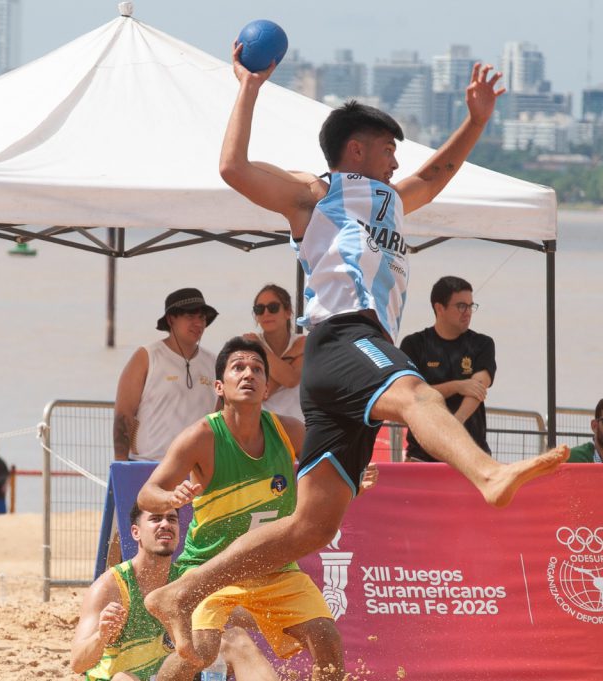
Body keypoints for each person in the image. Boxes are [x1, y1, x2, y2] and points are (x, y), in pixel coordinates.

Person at [145, 45, 568, 664]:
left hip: (345, 360)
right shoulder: (316, 194)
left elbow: (436, 175)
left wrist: (476, 122)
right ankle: (488, 473)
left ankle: (183, 591)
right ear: (358, 150)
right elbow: (233, 168)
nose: (399, 160)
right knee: (417, 391)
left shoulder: (392, 200)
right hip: (344, 335)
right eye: (390, 148)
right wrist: (248, 87)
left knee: (312, 527)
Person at [139, 337, 373, 680]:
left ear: (266, 388)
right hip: (210, 569)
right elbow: (148, 493)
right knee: (199, 652)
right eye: (239, 368)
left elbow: (332, 472)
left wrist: (353, 478)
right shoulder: (201, 436)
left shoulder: (289, 430)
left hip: (274, 567)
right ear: (220, 386)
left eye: (257, 370)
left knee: (326, 638)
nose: (248, 374)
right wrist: (171, 499)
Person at [71, 502, 277, 681]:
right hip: (128, 677)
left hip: (172, 675)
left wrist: (282, 618)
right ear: (136, 532)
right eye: (155, 519)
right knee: (123, 679)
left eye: (172, 519)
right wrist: (101, 635)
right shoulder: (110, 587)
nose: (165, 524)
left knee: (236, 638)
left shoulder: (187, 579)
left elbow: (239, 615)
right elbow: (77, 663)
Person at [113, 288, 220, 462]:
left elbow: (220, 420)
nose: (198, 323)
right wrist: (120, 463)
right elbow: (123, 415)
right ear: (171, 319)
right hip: (147, 463)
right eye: (190, 316)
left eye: (202, 317)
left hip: (196, 468)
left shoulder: (214, 362)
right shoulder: (147, 356)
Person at [399, 276, 495, 462]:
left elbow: (478, 387)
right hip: (422, 456)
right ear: (439, 308)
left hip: (472, 456)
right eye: (461, 306)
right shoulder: (414, 344)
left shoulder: (482, 343)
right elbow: (412, 395)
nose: (467, 312)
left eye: (471, 306)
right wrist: (457, 386)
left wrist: (454, 424)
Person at [243, 283, 306, 422]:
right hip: (263, 429)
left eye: (273, 308)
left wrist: (260, 348)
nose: (266, 313)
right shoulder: (248, 346)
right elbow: (262, 393)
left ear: (288, 312)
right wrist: (292, 355)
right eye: (259, 309)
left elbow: (291, 380)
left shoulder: (303, 342)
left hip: (298, 429)